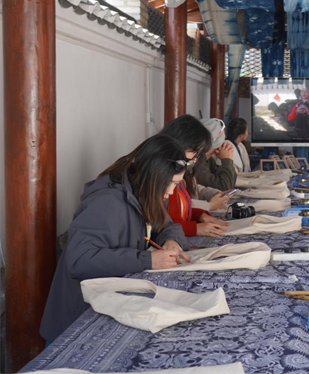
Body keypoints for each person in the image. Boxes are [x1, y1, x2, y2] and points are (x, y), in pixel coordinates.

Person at [40, 134, 192, 342]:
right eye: (172, 183)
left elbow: (166, 225)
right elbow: (80, 259)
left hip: (108, 304)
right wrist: (147, 260)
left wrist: (171, 241)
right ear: (155, 177)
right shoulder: (107, 202)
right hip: (77, 321)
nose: (172, 192)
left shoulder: (144, 193)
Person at [160, 115, 230, 237]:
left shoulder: (179, 167)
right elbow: (161, 224)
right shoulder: (162, 173)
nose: (196, 158)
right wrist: (195, 226)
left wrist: (199, 215)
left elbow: (181, 208)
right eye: (195, 152)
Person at [196, 118, 237, 191]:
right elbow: (225, 187)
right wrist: (227, 160)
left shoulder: (208, 159)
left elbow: (230, 181)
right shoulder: (197, 163)